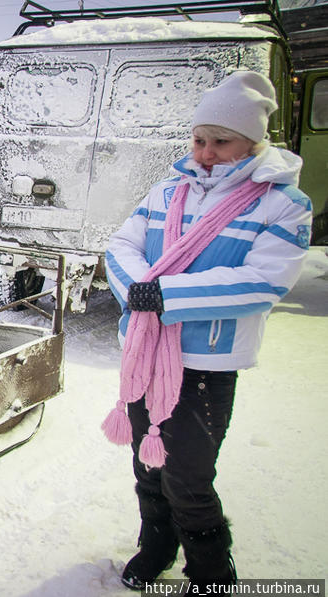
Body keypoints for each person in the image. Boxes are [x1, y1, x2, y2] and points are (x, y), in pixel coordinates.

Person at [102, 71, 312, 592]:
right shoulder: (168, 190)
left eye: (222, 141)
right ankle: (156, 546)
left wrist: (166, 295)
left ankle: (212, 572)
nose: (207, 152)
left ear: (253, 142)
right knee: (147, 466)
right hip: (148, 354)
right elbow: (120, 247)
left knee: (187, 477)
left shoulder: (282, 203)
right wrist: (140, 289)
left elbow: (264, 281)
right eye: (200, 139)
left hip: (207, 362)